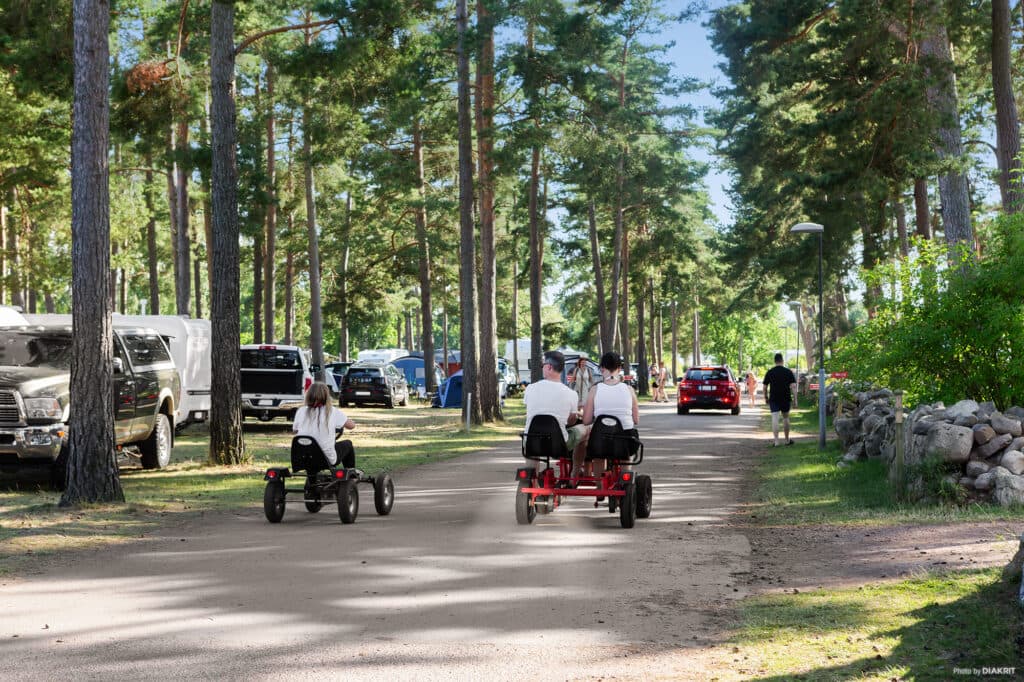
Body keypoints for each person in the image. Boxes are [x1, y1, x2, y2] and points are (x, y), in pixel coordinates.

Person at [523, 350, 589, 477]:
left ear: (549, 367)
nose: (542, 368)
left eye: (542, 365)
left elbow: (531, 412)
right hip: (559, 443)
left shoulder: (530, 389)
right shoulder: (571, 394)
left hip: (531, 441)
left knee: (533, 438)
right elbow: (571, 421)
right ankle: (575, 472)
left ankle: (531, 476)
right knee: (586, 429)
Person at [583, 351, 640, 476]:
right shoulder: (629, 390)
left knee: (598, 456)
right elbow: (636, 420)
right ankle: (625, 476)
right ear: (619, 369)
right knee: (625, 452)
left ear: (602, 368)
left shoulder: (594, 390)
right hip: (624, 440)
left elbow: (586, 420)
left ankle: (599, 484)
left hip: (601, 439)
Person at [293, 382, 358, 469]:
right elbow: (351, 426)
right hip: (325, 460)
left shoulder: (301, 411)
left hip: (303, 459)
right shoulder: (332, 411)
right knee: (348, 444)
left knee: (310, 448)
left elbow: (295, 431)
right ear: (326, 396)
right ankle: (351, 474)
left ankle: (312, 477)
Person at [763, 353, 797, 447]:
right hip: (785, 397)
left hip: (774, 398)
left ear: (775, 361)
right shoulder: (788, 372)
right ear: (782, 360)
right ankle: (787, 440)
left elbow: (765, 387)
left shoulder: (770, 372)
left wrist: (766, 397)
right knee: (786, 418)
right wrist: (795, 400)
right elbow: (794, 386)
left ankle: (777, 441)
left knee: (775, 418)